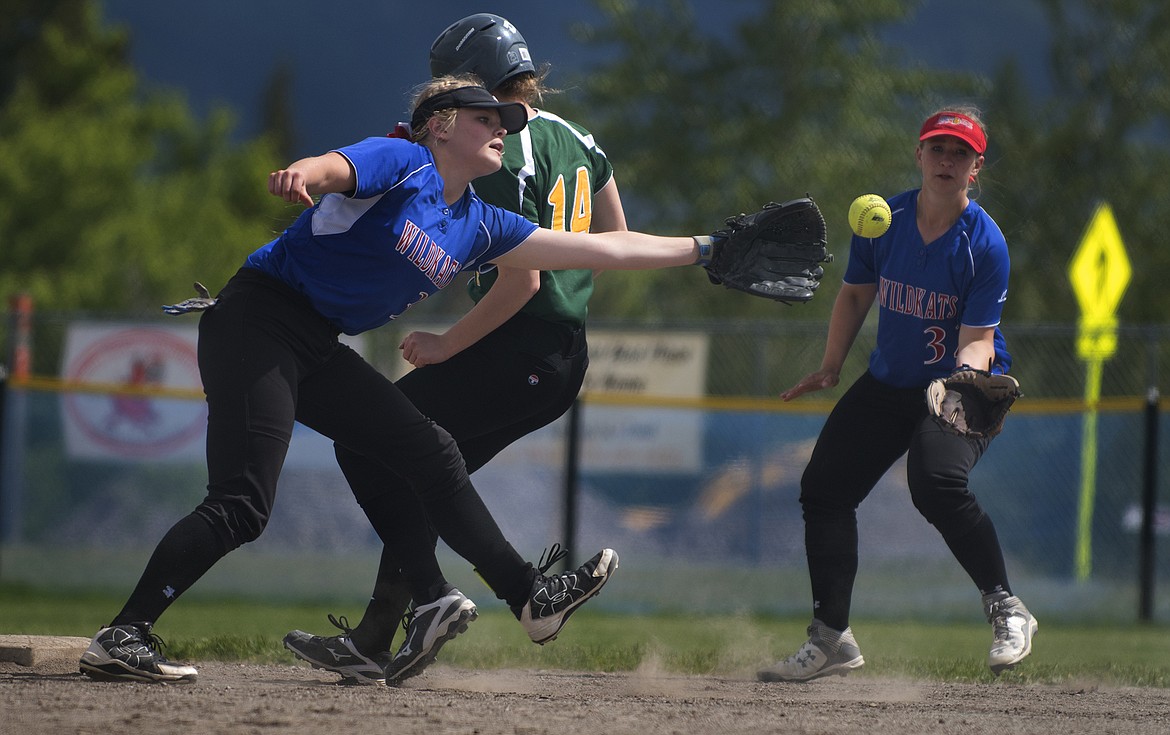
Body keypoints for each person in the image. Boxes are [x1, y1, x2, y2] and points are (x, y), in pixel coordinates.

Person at [78, 72, 719, 685]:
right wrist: (305, 173)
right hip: (256, 322)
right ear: (439, 127)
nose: (501, 127)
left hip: (316, 343)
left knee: (431, 450)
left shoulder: (478, 222)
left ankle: (524, 598)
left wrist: (705, 248)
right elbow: (337, 167)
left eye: (506, 121)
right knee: (243, 506)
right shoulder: (403, 159)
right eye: (484, 118)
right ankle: (125, 632)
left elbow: (604, 248)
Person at [281, 13, 629, 685]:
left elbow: (522, 280)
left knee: (370, 442)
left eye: (456, 84)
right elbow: (613, 239)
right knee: (423, 473)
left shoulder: (494, 144)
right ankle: (383, 634)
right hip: (563, 354)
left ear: (476, 81)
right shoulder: (578, 137)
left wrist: (447, 343)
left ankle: (512, 596)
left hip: (512, 347)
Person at [757, 107, 1037, 683]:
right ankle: (831, 636)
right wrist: (831, 365)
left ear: (975, 169)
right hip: (890, 379)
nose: (946, 160)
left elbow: (979, 339)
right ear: (918, 154)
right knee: (825, 490)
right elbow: (856, 295)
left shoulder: (984, 244)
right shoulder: (885, 221)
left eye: (960, 153)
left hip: (958, 381)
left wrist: (960, 385)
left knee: (934, 483)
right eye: (937, 148)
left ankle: (1007, 607)